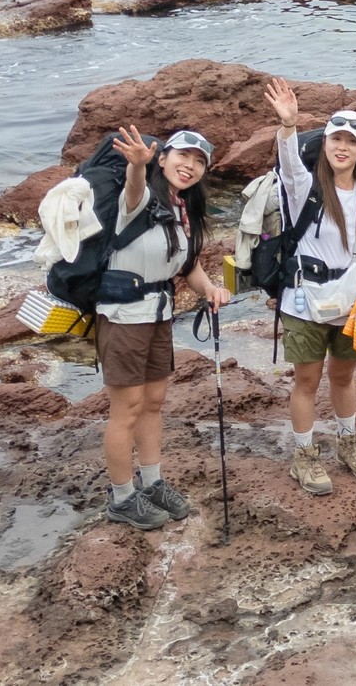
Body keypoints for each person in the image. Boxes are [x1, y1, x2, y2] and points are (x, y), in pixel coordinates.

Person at [263, 80, 356, 496]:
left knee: (343, 376)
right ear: (325, 142)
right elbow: (287, 163)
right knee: (306, 379)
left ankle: (347, 445)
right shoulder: (305, 187)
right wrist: (289, 125)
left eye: (351, 142)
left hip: (354, 300)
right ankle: (304, 455)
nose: (342, 147)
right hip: (304, 300)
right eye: (336, 139)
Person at [99, 126, 230, 529]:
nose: (189, 166)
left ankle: (152, 482)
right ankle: (122, 497)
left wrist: (210, 288)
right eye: (182, 156)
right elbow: (134, 190)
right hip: (122, 316)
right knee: (127, 409)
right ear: (163, 158)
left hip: (157, 316)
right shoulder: (138, 197)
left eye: (198, 161)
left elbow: (185, 264)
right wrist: (137, 166)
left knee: (153, 403)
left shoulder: (182, 207)